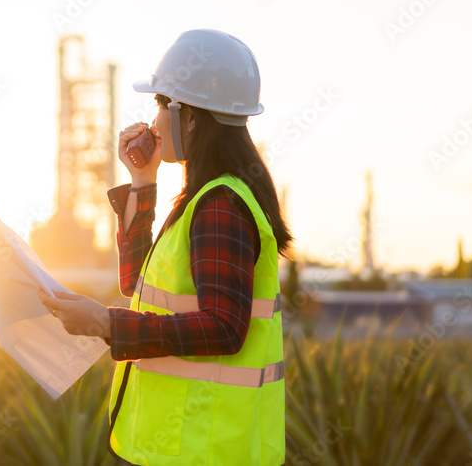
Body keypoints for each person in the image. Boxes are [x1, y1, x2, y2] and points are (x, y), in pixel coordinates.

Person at [39, 29, 292, 466]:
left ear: (188, 117)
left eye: (160, 105)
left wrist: (105, 323)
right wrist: (142, 182)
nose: (153, 121)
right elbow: (138, 284)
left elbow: (225, 328)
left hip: (199, 450)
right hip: (180, 446)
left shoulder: (220, 206)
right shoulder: (204, 199)